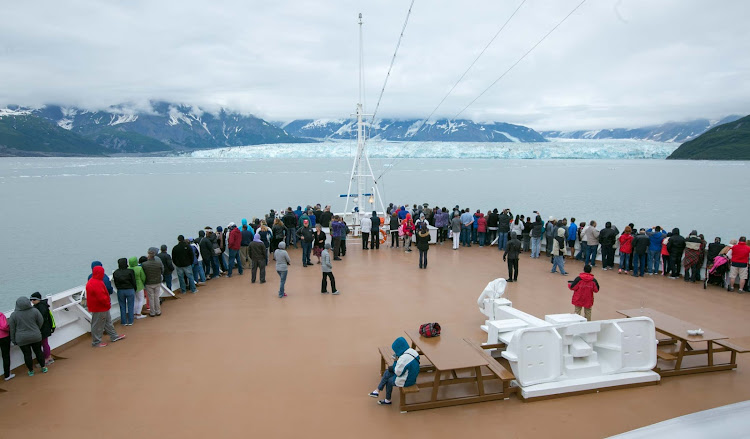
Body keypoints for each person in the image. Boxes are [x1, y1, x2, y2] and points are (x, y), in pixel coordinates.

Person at [369, 336, 419, 406]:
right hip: (412, 374)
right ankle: (377, 390)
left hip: (408, 380)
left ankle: (387, 400)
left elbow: (398, 373)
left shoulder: (403, 359)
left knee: (389, 380)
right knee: (387, 372)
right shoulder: (412, 351)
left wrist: (395, 361)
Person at [86, 266, 126, 348]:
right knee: (98, 324)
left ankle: (114, 336)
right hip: (99, 307)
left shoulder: (94, 281)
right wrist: (107, 303)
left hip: (102, 307)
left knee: (107, 322)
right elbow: (101, 297)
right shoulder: (96, 283)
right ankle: (96, 342)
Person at [8, 297, 47, 375]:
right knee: (38, 351)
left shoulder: (14, 315)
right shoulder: (35, 311)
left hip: (22, 339)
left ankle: (31, 371)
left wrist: (13, 340)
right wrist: (36, 329)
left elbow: (12, 329)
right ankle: (43, 367)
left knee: (27, 355)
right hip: (35, 336)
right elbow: (41, 321)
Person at [29, 292, 54, 365]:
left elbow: (41, 319)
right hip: (45, 328)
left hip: (43, 329)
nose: (32, 301)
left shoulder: (40, 308)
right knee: (45, 343)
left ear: (38, 299)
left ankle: (47, 358)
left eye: (33, 299)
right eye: (31, 300)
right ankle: (48, 356)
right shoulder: (43, 305)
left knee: (44, 343)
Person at [112, 257, 136, 326]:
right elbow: (133, 281)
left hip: (120, 290)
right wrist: (134, 288)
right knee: (130, 305)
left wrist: (119, 288)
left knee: (122, 306)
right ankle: (130, 321)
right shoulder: (130, 271)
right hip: (129, 289)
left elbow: (116, 282)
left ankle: (123, 321)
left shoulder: (116, 272)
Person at [142, 247, 164, 317]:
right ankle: (158, 311)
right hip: (157, 281)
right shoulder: (158, 263)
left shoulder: (144, 264)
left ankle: (152, 312)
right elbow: (162, 271)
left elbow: (143, 273)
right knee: (156, 297)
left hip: (149, 283)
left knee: (151, 298)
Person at [0, 310, 13, 381]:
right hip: (3, 337)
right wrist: (9, 329)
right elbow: (4, 326)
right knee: (5, 356)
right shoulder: (1, 315)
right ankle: (7, 375)